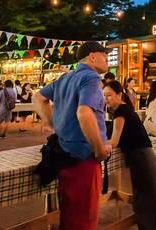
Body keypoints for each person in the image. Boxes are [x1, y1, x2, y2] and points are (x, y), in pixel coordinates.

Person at [33, 41, 111, 230]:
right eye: (105, 56)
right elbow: (84, 112)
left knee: (69, 215)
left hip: (64, 155)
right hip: (83, 158)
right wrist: (99, 149)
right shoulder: (91, 78)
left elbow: (38, 98)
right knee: (84, 219)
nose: (107, 60)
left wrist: (55, 124)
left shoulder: (65, 78)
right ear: (93, 56)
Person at [105, 80, 156, 230]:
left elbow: (114, 142)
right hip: (143, 157)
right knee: (152, 200)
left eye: (109, 95)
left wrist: (97, 145)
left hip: (142, 158)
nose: (106, 99)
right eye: (104, 96)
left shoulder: (121, 111)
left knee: (146, 202)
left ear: (119, 94)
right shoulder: (125, 109)